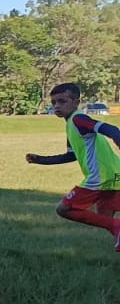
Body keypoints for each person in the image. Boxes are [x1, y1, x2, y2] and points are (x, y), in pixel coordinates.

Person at [25, 82, 120, 250]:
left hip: (100, 177)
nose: (57, 106)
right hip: (114, 174)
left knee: (64, 209)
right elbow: (71, 155)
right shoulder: (71, 123)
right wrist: (41, 160)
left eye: (62, 101)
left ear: (76, 102)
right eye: (54, 102)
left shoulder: (78, 119)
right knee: (105, 216)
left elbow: (112, 129)